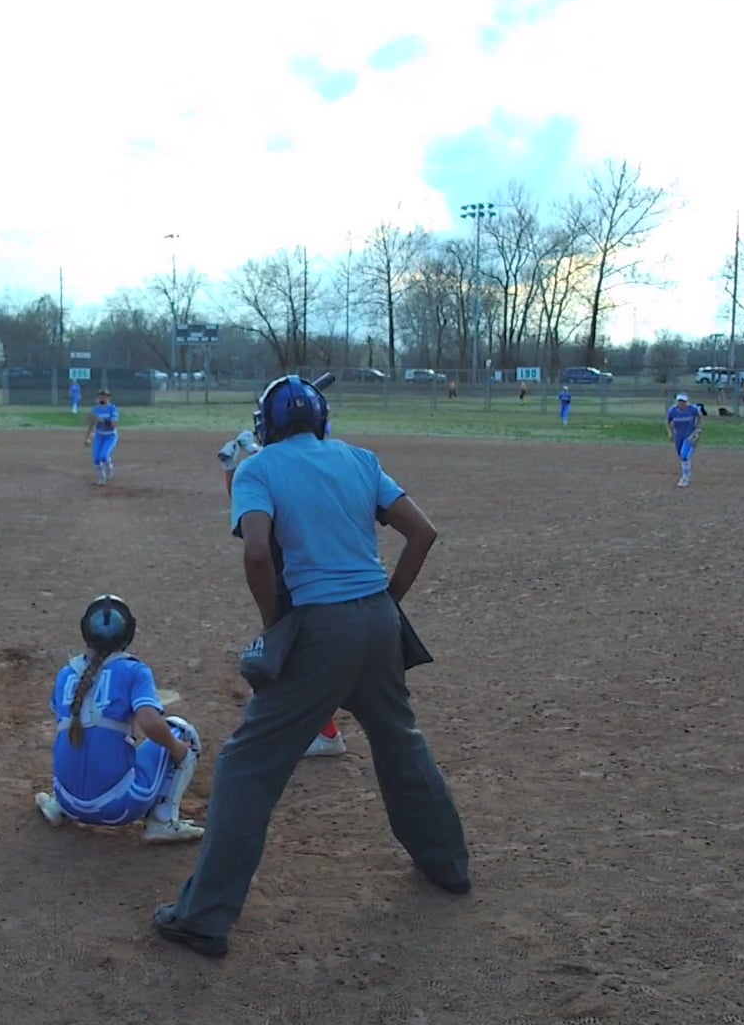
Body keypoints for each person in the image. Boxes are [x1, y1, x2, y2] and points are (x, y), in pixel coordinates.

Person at [153, 375, 470, 958]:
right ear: (321, 419)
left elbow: (256, 553)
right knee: (400, 742)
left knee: (247, 766)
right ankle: (448, 864)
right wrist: (387, 600)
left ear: (267, 423)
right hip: (379, 622)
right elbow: (422, 533)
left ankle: (203, 918)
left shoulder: (259, 469)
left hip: (319, 628)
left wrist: (277, 625)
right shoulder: (360, 459)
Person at [216, 426, 347, 759]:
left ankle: (316, 732)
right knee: (294, 658)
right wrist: (232, 466)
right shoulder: (300, 465)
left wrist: (250, 452)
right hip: (302, 578)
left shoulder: (293, 467)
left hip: (303, 581)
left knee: (289, 658)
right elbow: (248, 504)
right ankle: (324, 731)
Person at [33, 595, 204, 844]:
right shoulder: (134, 670)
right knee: (183, 732)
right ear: (129, 632)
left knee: (78, 732)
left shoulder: (66, 673)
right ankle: (163, 821)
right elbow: (150, 723)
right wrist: (176, 748)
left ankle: (58, 805)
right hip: (119, 808)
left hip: (69, 802)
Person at [83, 388, 119, 485]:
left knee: (104, 456)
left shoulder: (112, 409)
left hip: (110, 436)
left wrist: (100, 419)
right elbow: (91, 425)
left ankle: (109, 468)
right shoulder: (95, 410)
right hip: (99, 436)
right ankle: (101, 476)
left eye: (105, 396)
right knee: (96, 459)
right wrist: (87, 438)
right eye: (101, 396)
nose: (102, 398)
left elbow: (114, 424)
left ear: (109, 398)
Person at [667, 392, 702, 488]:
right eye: (679, 401)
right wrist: (670, 432)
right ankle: (687, 474)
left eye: (683, 401)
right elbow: (668, 421)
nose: (681, 403)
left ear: (687, 402)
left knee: (684, 455)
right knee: (682, 456)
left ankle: (685, 478)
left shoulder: (693, 409)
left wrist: (698, 430)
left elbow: (700, 418)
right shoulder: (672, 411)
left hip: (690, 436)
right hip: (678, 436)